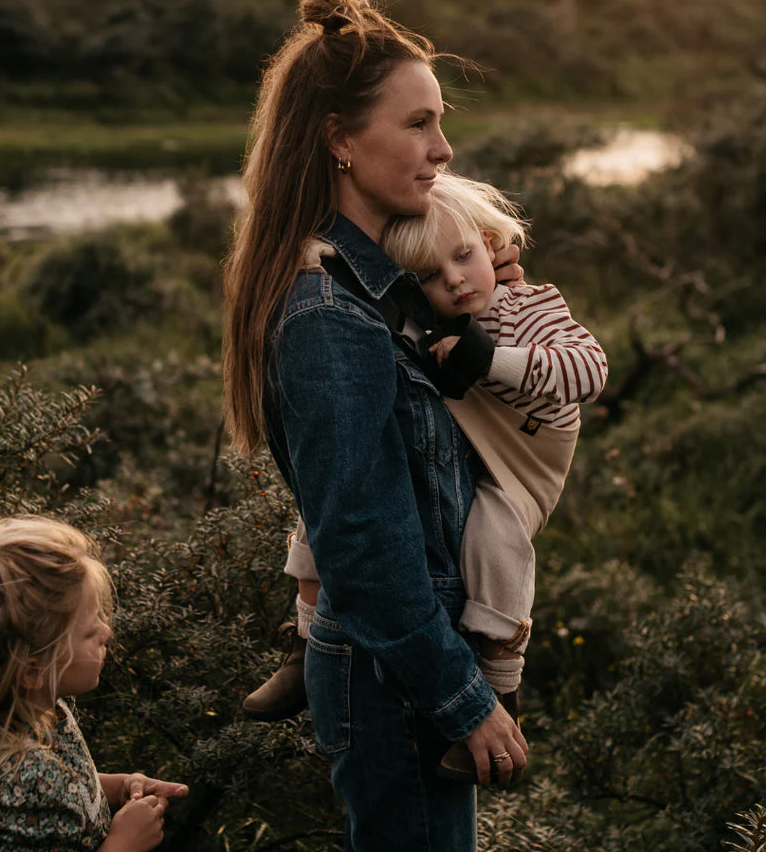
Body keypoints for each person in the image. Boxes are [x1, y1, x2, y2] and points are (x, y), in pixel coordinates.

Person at [223, 0, 527, 852]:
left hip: (392, 669)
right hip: (397, 682)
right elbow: (360, 539)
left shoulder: (378, 291)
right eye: (419, 124)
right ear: (340, 140)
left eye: (440, 121)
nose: (443, 148)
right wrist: (465, 699)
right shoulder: (329, 315)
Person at [243, 172, 608, 782]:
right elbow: (354, 277)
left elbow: (587, 371)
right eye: (433, 277)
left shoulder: (531, 304)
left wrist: (491, 356)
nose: (457, 280)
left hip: (521, 466)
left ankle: (501, 688)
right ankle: (305, 641)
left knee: (495, 540)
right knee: (324, 502)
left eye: (465, 257)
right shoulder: (430, 316)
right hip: (469, 454)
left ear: (491, 241)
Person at [0, 515, 189, 852]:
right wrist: (122, 847)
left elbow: (62, 797)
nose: (106, 632)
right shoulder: (24, 775)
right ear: (32, 669)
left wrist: (119, 787)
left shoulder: (43, 713)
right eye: (90, 630)